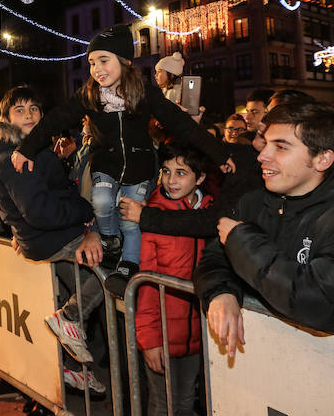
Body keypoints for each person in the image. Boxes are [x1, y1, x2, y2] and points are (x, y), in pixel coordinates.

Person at [13, 24, 234, 291]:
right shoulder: (90, 95)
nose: (96, 69)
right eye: (92, 62)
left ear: (125, 61)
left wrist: (218, 153)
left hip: (139, 167)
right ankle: (108, 240)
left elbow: (180, 124)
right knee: (102, 201)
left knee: (132, 219)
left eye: (103, 60)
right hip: (106, 163)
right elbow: (54, 120)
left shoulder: (144, 93)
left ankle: (129, 264)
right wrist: (27, 148)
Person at [193, 102, 334, 359]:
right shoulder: (253, 202)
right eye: (266, 143)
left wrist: (244, 244)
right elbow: (214, 260)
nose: (262, 155)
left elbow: (324, 302)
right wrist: (221, 292)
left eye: (281, 147)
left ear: (322, 159)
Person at [0, 86, 106, 396]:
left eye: (34, 109)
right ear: (6, 118)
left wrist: (18, 230)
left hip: (48, 237)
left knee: (82, 288)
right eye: (20, 110)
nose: (29, 115)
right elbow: (40, 211)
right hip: (55, 237)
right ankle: (69, 319)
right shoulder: (15, 155)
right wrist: (85, 209)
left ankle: (75, 368)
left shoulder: (31, 148)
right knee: (115, 271)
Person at [136, 142, 213, 416]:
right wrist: (149, 340)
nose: (170, 180)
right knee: (162, 404)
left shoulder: (210, 211)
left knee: (185, 401)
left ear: (200, 177)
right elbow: (144, 284)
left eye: (181, 173)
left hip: (199, 330)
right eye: (166, 171)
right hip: (163, 332)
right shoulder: (153, 214)